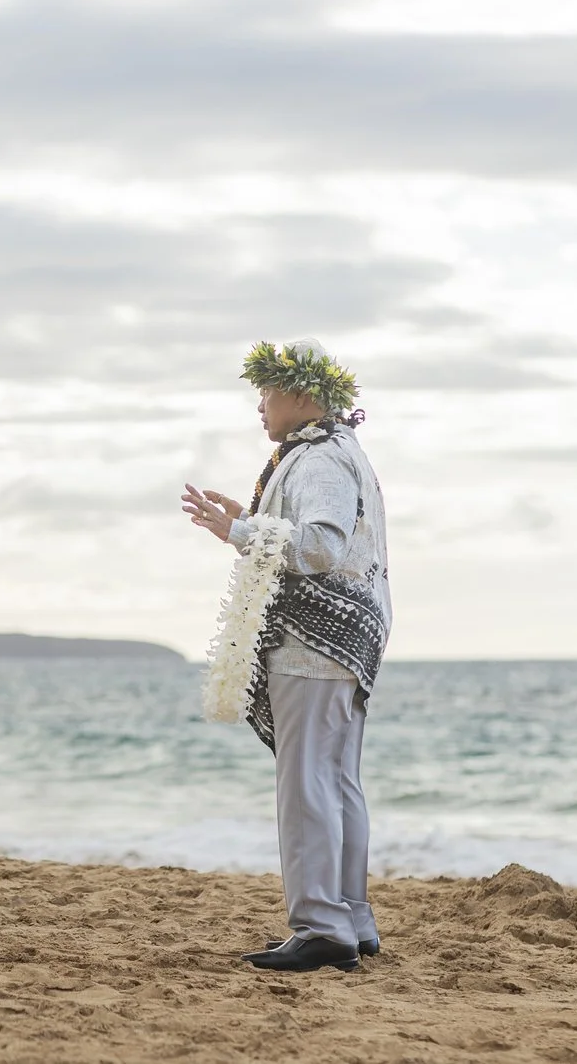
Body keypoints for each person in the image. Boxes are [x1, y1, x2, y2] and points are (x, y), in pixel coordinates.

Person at [182, 339, 392, 972]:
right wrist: (246, 516)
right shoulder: (332, 451)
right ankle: (351, 918)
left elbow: (322, 548)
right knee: (335, 781)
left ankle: (323, 925)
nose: (260, 407)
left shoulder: (320, 459)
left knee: (306, 782)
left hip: (315, 641)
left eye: (267, 393)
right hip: (343, 639)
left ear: (304, 397)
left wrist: (240, 531)